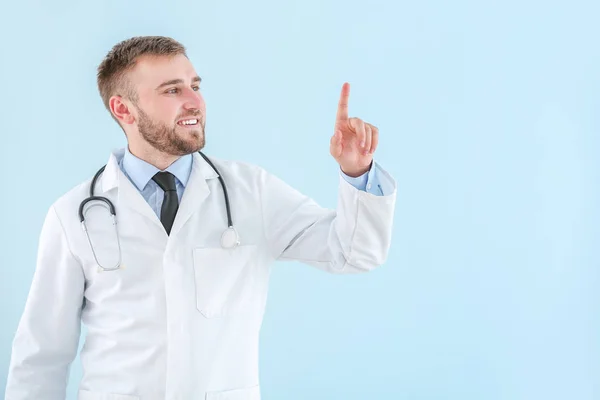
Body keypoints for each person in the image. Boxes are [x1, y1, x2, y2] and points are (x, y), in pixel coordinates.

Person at [4, 36, 397, 400]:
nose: (194, 101)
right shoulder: (73, 215)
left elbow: (354, 252)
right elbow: (42, 356)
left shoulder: (251, 192)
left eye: (195, 85)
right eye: (172, 90)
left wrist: (357, 173)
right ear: (123, 109)